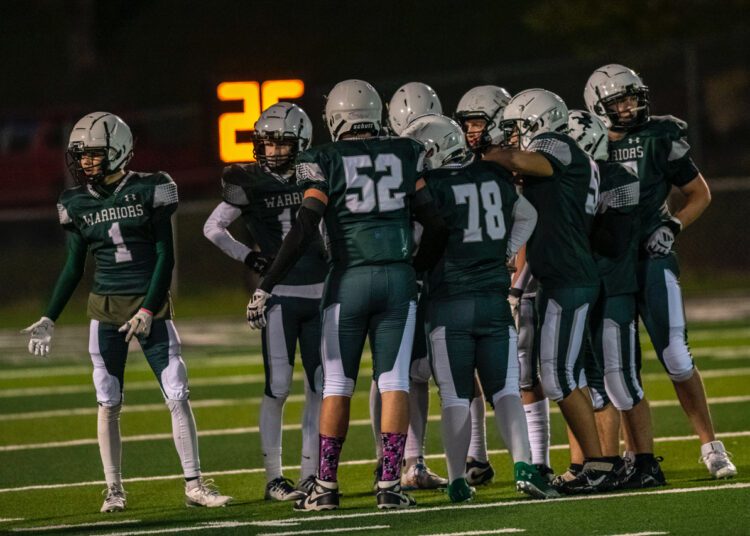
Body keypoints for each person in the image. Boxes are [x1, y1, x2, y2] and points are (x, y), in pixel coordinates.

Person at [246, 79, 449, 511]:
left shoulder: (323, 158)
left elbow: (304, 226)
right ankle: (389, 484)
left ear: (335, 118)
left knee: (337, 385)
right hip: (398, 279)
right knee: (394, 382)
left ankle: (326, 486)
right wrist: (417, 269)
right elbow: (434, 223)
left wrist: (267, 283)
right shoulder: (406, 152)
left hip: (348, 281)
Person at [22, 112, 232, 513]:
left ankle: (194, 485)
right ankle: (114, 489)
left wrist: (149, 308)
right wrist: (50, 316)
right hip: (104, 309)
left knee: (177, 390)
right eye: (81, 155)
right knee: (108, 400)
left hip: (148, 304)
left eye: (93, 154)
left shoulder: (151, 188)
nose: (85, 162)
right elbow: (73, 267)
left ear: (117, 151)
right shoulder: (75, 201)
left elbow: (165, 256)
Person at [585, 64, 737, 479]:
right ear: (598, 106)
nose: (630, 106)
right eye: (619, 101)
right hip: (608, 264)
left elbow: (699, 193)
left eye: (633, 97)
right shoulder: (587, 143)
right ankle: (635, 454)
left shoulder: (659, 135)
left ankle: (710, 445)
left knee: (676, 355)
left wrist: (673, 225)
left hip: (652, 256)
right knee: (620, 367)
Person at [402, 114, 558, 502]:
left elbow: (419, 238)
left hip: (448, 302)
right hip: (492, 299)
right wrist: (506, 250)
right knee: (505, 390)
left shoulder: (431, 186)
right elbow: (529, 215)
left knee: (455, 397)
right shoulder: (493, 174)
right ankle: (524, 466)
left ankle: (458, 479)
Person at [485, 89, 620, 494]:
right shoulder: (564, 154)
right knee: (564, 374)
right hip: (562, 276)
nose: (513, 137)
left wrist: (486, 155)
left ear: (536, 122)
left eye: (517, 127)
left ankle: (599, 464)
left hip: (568, 278)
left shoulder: (556, 144)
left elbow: (518, 160)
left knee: (558, 377)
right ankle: (591, 464)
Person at [203, 102, 326, 500]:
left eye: (281, 143)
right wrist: (249, 257)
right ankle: (274, 477)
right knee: (278, 387)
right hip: (280, 297)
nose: (272, 151)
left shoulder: (316, 172)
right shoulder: (250, 181)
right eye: (267, 143)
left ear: (301, 142)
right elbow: (213, 227)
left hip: (321, 292)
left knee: (319, 387)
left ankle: (310, 473)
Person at [566, 109, 665, 488]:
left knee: (622, 380)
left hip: (614, 289)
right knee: (594, 384)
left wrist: (575, 219)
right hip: (587, 289)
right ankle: (605, 464)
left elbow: (614, 239)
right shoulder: (576, 180)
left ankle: (646, 463)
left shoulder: (619, 178)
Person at [366, 81, 448, 492]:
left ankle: (409, 460)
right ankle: (392, 459)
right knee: (393, 372)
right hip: (401, 270)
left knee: (413, 371)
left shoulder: (390, 152)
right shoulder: (392, 155)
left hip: (415, 270)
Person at [451, 84, 514, 485]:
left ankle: (536, 460)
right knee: (468, 370)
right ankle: (478, 455)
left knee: (523, 377)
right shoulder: (468, 163)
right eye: (468, 124)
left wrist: (512, 255)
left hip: (516, 278)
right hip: (482, 278)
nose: (472, 131)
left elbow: (530, 215)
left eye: (479, 123)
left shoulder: (518, 160)